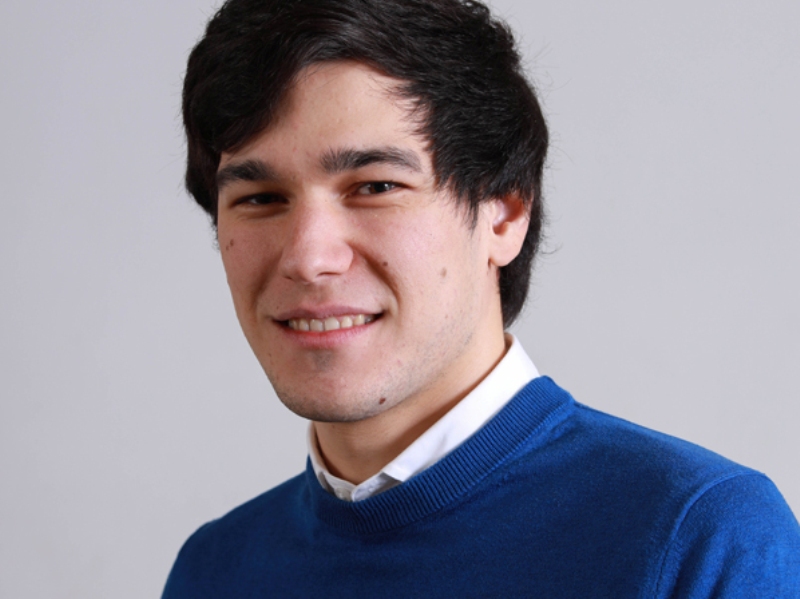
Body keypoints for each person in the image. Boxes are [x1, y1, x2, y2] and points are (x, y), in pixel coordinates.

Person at [163, 0, 800, 596]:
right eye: (260, 198)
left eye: (376, 186)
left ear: (504, 215)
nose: (307, 257)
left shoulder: (701, 537)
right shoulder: (214, 570)